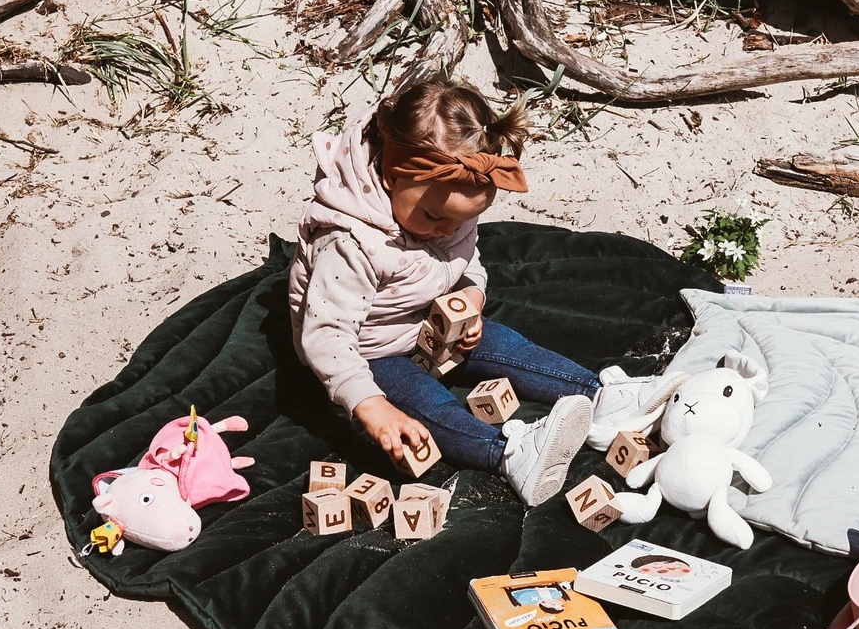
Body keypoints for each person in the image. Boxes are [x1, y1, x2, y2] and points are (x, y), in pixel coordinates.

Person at [289, 79, 686, 506]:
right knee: (427, 406)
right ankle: (511, 453)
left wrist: (471, 300)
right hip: (368, 351)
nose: (447, 230)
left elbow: (467, 263)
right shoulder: (351, 243)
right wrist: (370, 405)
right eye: (435, 217)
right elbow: (325, 336)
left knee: (510, 346)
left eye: (459, 223)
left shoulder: (447, 213)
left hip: (428, 322)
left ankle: (602, 396)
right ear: (391, 175)